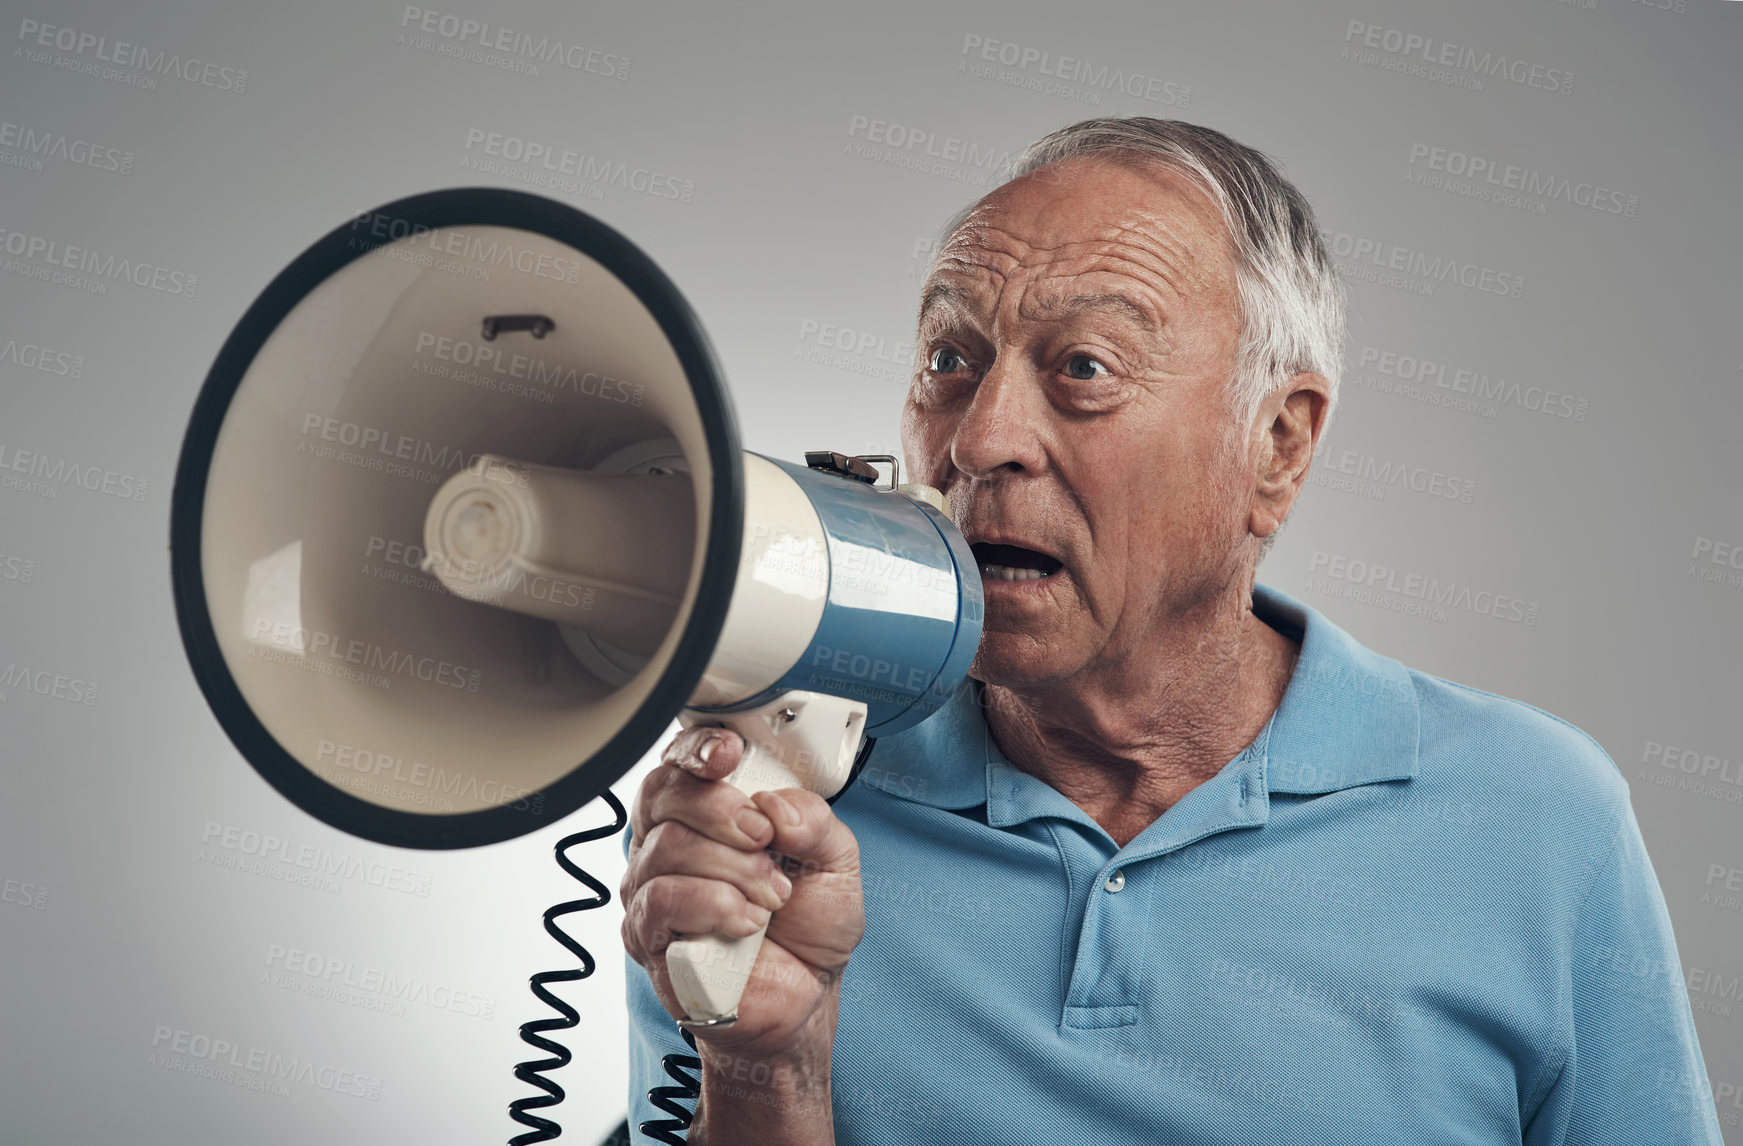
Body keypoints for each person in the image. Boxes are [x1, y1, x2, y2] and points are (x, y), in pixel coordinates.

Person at [618, 117, 1722, 1144]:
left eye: (1084, 369)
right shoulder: (772, 818)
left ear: (1278, 445)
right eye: (952, 361)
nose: (981, 440)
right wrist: (765, 1070)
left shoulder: (1535, 819)